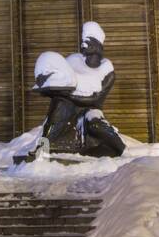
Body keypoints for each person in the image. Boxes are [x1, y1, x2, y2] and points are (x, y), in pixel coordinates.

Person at [15, 21, 125, 163]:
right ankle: (44, 144)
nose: (83, 44)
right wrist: (45, 79)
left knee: (94, 123)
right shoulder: (73, 61)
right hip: (69, 106)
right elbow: (60, 78)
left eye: (88, 41)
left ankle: (119, 147)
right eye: (83, 40)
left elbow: (95, 100)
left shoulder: (107, 71)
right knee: (61, 103)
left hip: (89, 111)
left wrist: (66, 95)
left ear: (98, 45)